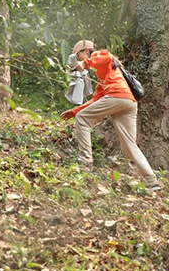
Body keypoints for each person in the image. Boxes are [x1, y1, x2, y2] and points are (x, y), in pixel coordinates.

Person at [60, 40, 160, 191]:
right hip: (128, 102)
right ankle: (152, 181)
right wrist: (74, 111)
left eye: (78, 55)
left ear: (86, 51)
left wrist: (85, 64)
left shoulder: (103, 55)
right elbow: (96, 99)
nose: (78, 59)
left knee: (83, 119)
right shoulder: (104, 74)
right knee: (128, 146)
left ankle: (85, 160)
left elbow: (104, 57)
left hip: (118, 97)